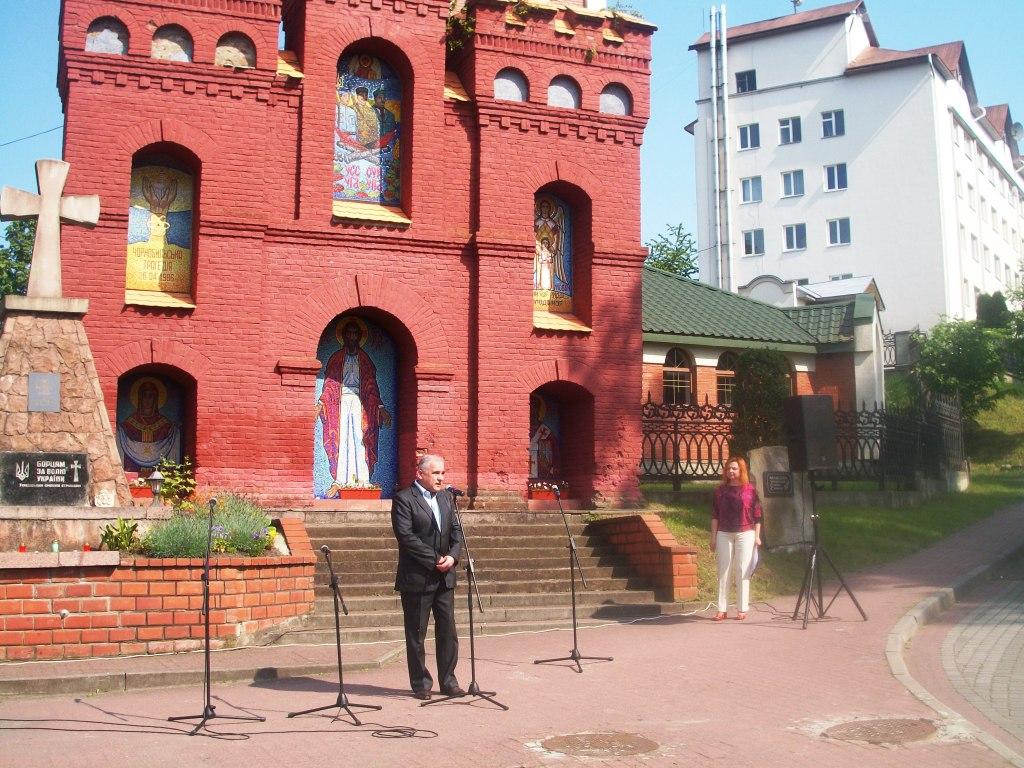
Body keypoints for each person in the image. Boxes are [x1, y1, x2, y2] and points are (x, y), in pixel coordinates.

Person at [391, 454, 465, 700]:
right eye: (436, 473)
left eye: (443, 473)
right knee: (417, 634)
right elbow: (406, 536)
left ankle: (449, 681)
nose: (441, 478)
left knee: (448, 631)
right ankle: (421, 684)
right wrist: (435, 559)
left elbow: (456, 531)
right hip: (417, 577)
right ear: (420, 474)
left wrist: (452, 557)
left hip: (445, 577)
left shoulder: (446, 498)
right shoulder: (404, 499)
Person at [316, 319, 391, 497]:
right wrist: (320, 404)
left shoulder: (364, 359)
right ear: (343, 336)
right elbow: (330, 384)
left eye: (355, 333)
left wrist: (380, 407)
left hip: (360, 402)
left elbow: (371, 385)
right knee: (342, 439)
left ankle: (364, 480)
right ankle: (340, 480)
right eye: (348, 333)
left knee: (360, 437)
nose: (351, 337)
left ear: (359, 336)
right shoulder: (336, 358)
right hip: (340, 402)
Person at [710, 457, 762, 621]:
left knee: (742, 570)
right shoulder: (720, 491)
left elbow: (758, 515)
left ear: (741, 470)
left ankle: (742, 608)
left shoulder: (750, 490)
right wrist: (713, 537)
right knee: (723, 571)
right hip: (724, 533)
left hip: (746, 533)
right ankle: (722, 609)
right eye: (728, 468)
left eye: (734, 468)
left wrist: (757, 536)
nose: (731, 471)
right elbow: (715, 515)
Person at [117, 378, 180, 471]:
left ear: (155, 399)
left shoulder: (165, 424)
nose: (147, 400)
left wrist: (175, 430)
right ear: (140, 398)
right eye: (144, 396)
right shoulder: (129, 423)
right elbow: (122, 436)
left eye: (151, 396)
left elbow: (173, 436)